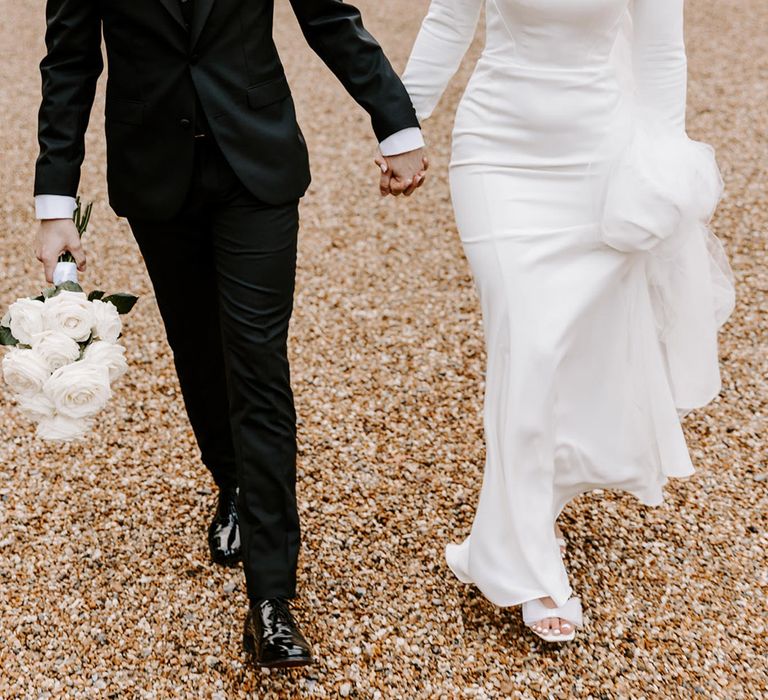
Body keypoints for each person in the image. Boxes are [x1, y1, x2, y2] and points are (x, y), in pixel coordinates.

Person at [33, 0, 427, 668]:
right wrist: (55, 204)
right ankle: (233, 482)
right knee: (197, 348)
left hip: (258, 164)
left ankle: (272, 599)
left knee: (257, 360)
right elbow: (70, 60)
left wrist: (395, 122)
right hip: (156, 171)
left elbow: (328, 17)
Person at [399, 0, 734, 642]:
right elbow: (448, 20)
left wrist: (662, 171)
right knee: (526, 344)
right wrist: (403, 125)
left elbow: (662, 53)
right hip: (496, 156)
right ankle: (535, 568)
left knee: (575, 356)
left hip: (598, 163)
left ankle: (520, 518)